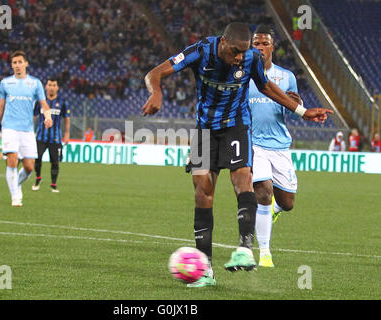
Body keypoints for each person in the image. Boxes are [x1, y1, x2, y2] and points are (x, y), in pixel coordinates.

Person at [142, 22, 332, 287]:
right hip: (204, 130)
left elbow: (265, 86)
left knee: (243, 179)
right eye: (234, 52)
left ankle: (244, 248)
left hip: (237, 126)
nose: (239, 58)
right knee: (202, 191)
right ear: (222, 42)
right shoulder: (200, 50)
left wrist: (302, 111)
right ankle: (205, 267)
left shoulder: (251, 57)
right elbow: (154, 73)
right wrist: (157, 92)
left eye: (243, 52)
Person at [249, 25, 305, 268]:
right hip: (254, 143)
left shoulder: (287, 76)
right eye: (256, 43)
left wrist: (298, 104)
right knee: (263, 192)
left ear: (273, 47)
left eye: (264, 44)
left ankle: (274, 210)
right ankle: (264, 253)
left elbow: (291, 110)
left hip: (280, 145)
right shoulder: (242, 75)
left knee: (288, 203)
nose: (260, 47)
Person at [0, 51, 53, 207]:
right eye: (14, 63)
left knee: (29, 167)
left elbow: (44, 104)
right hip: (9, 127)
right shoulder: (5, 83)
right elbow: (1, 106)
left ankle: (16, 184)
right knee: (12, 160)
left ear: (26, 64)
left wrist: (48, 116)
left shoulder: (35, 83)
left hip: (27, 130)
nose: (17, 65)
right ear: (12, 65)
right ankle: (15, 196)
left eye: (20, 62)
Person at [32, 78, 71, 193]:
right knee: (37, 158)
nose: (52, 87)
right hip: (40, 137)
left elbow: (67, 119)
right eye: (50, 85)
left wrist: (67, 134)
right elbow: (33, 117)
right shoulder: (40, 102)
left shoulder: (63, 102)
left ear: (57, 88)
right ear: (46, 87)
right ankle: (38, 178)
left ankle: (53, 184)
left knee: (55, 161)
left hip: (56, 138)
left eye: (54, 85)